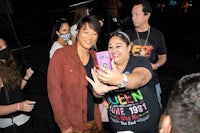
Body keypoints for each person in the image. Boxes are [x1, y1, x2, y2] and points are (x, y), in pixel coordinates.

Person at [86, 31, 161, 133]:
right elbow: (98, 94)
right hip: (119, 129)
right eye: (110, 47)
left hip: (149, 128)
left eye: (118, 46)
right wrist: (98, 92)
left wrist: (121, 79)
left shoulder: (139, 61)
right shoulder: (106, 69)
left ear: (129, 47)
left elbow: (141, 78)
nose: (113, 50)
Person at [47, 15, 102, 133]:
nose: (90, 37)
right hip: (74, 124)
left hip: (95, 121)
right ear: (77, 32)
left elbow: (100, 91)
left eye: (94, 33)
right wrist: (64, 126)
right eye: (86, 32)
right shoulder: (60, 56)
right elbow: (54, 93)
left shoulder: (97, 58)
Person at [125, 0, 167, 108]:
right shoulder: (127, 35)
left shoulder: (157, 35)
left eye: (136, 14)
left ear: (147, 15)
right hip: (131, 81)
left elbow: (163, 56)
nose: (133, 17)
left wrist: (156, 65)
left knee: (156, 110)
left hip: (152, 81)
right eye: (132, 15)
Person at [0, 39, 36, 133]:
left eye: (5, 45)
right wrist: (19, 106)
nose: (5, 48)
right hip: (12, 126)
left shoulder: (7, 66)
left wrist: (26, 77)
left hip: (23, 120)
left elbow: (15, 91)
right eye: (0, 47)